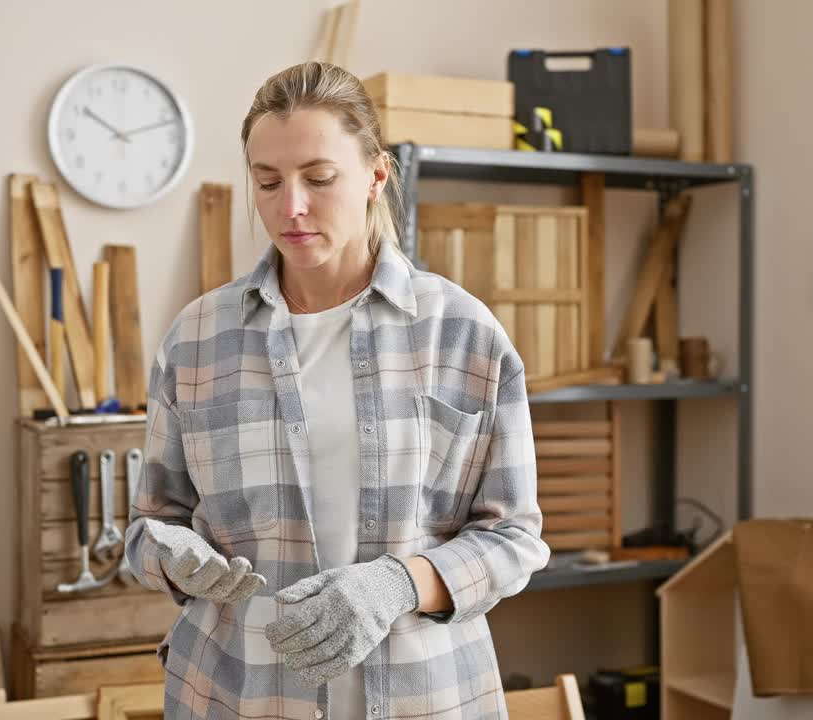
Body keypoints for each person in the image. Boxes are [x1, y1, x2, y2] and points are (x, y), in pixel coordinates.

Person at [123, 60, 549, 720]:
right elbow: (152, 522)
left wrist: (400, 583)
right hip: (238, 697)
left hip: (426, 699)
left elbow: (515, 537)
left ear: (377, 175)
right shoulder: (197, 338)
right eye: (267, 182)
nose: (290, 206)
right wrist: (167, 553)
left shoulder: (463, 333)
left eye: (319, 179)